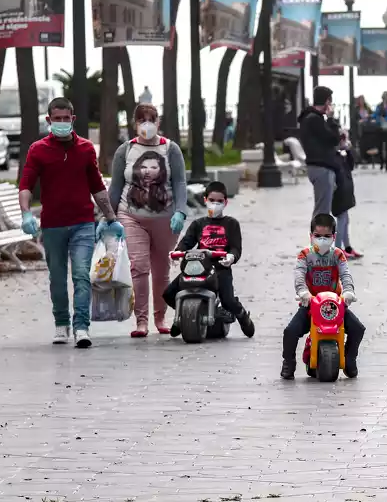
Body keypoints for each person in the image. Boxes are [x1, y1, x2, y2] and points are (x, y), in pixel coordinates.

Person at [19, 97, 122, 349]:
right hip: (52, 225)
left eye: (67, 119)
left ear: (73, 120)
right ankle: (61, 324)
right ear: (49, 120)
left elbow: (97, 186)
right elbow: (26, 185)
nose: (62, 123)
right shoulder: (38, 150)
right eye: (58, 119)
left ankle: (81, 327)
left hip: (82, 224)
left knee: (81, 275)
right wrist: (25, 213)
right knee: (57, 277)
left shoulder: (86, 149)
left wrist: (111, 218)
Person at [108, 103, 188, 337]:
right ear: (134, 124)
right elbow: (116, 186)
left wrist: (180, 211)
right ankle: (141, 321)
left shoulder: (170, 149)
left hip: (166, 218)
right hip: (131, 215)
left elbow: (180, 183)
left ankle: (160, 318)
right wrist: (108, 217)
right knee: (139, 267)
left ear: (158, 122)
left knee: (161, 269)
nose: (147, 124)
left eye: (151, 119)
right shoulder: (126, 150)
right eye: (142, 120)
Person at [162, 181, 254, 338]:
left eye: (219, 201)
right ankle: (183, 316)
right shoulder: (198, 224)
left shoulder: (231, 224)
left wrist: (231, 257)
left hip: (220, 267)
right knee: (169, 293)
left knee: (228, 300)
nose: (215, 204)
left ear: (225, 202)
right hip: (198, 265)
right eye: (212, 200)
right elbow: (187, 241)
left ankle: (242, 316)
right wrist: (177, 252)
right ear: (205, 200)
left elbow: (235, 247)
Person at [281, 213, 366, 380]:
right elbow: (299, 273)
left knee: (357, 328)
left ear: (334, 237)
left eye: (327, 236)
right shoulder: (305, 255)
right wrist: (303, 292)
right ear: (311, 235)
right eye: (318, 236)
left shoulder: (338, 255)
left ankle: (350, 359)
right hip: (310, 305)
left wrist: (349, 291)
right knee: (290, 331)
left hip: (335, 306)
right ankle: (288, 362)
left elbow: (345, 274)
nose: (322, 239)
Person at [298, 86, 341, 218]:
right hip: (322, 166)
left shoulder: (310, 118)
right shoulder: (315, 120)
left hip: (317, 166)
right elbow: (333, 139)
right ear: (327, 102)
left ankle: (321, 238)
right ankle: (320, 239)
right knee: (322, 210)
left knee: (322, 208)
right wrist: (331, 119)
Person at [333, 132, 362, 259]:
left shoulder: (342, 155)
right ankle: (338, 249)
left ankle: (347, 247)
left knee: (345, 219)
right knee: (342, 219)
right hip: (338, 190)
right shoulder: (333, 156)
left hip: (346, 189)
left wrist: (349, 150)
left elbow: (351, 165)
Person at [372, 92, 387, 172]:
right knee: (379, 146)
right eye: (383, 96)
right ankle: (381, 162)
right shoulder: (379, 106)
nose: (384, 98)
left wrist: (386, 119)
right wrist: (376, 118)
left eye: (386, 96)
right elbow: (375, 115)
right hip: (380, 128)